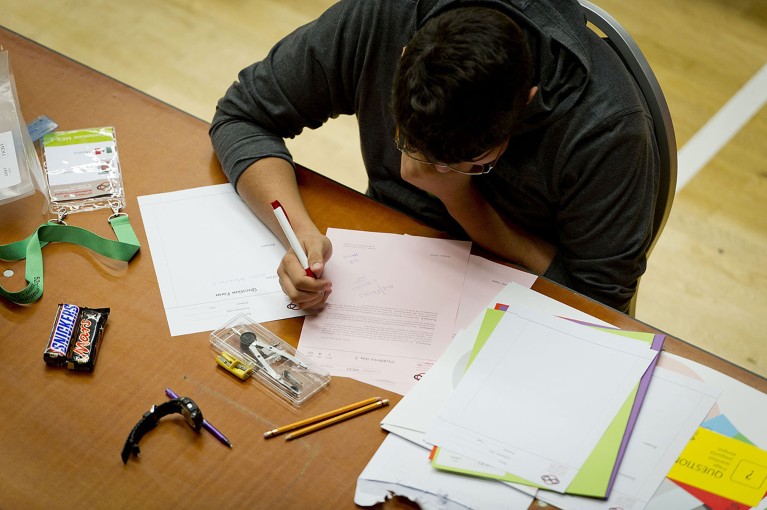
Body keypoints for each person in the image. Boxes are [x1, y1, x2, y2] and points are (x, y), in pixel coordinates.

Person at [210, 0, 659, 314]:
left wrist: (456, 194)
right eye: (410, 144)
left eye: (474, 162)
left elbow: (600, 305)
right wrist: (298, 233)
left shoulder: (607, 128)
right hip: (386, 274)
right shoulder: (384, 18)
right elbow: (243, 115)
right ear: (404, 57)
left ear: (527, 100)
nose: (426, 170)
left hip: (519, 305)